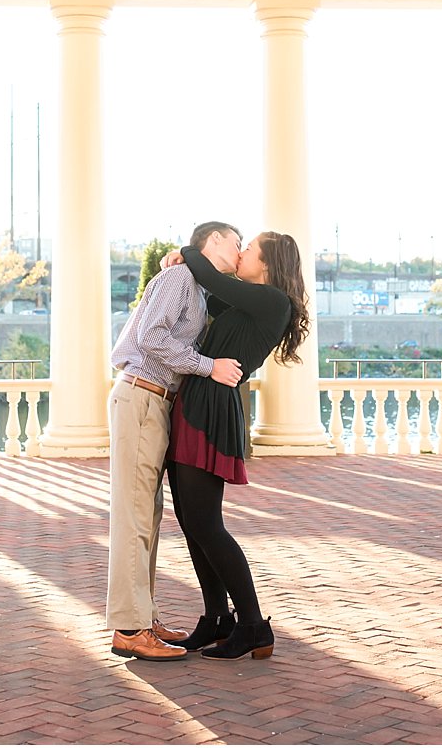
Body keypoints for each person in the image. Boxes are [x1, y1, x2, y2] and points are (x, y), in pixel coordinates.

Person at [161, 231, 310, 662]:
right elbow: (205, 293)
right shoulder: (252, 300)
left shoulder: (272, 301)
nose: (241, 253)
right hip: (199, 401)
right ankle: (215, 619)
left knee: (207, 525)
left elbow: (211, 277)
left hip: (210, 408)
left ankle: (252, 625)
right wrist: (184, 264)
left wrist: (186, 250)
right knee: (193, 523)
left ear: (267, 263)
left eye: (249, 249)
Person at [106, 221, 245, 663]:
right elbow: (151, 338)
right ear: (216, 240)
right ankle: (129, 629)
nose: (241, 253)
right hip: (142, 397)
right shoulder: (180, 277)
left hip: (156, 403)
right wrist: (209, 366)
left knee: (147, 514)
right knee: (134, 516)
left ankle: (141, 618)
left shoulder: (195, 283)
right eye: (238, 243)